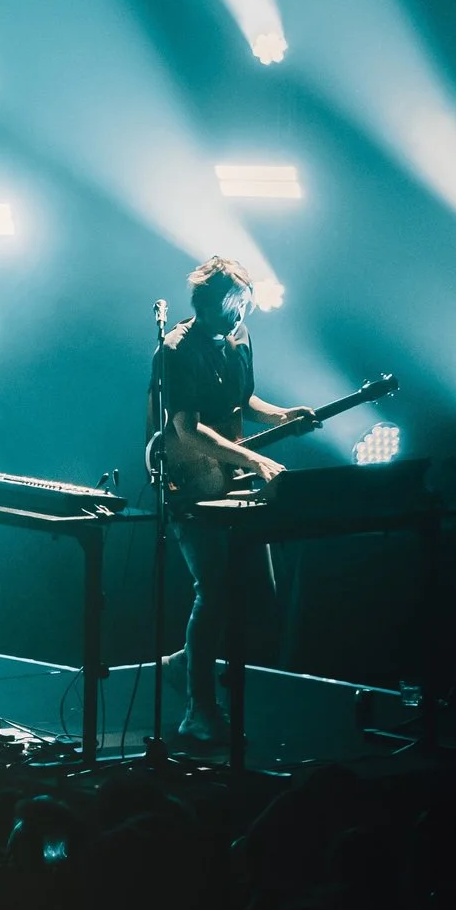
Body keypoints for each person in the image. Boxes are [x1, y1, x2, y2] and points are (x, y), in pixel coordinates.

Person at [154, 256, 315, 744]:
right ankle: (198, 709)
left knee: (257, 592)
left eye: (245, 304)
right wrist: (254, 460)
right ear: (206, 304)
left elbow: (245, 401)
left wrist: (283, 415)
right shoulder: (175, 348)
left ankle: (185, 663)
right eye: (233, 305)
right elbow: (187, 429)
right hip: (191, 483)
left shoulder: (240, 336)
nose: (241, 314)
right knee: (214, 591)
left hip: (231, 476)